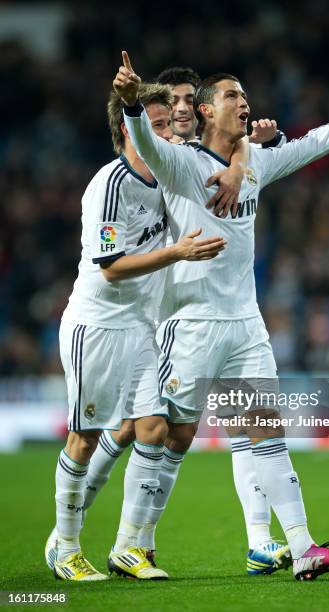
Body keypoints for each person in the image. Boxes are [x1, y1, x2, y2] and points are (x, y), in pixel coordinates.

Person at [114, 50, 329, 581]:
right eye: (232, 95)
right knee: (164, 434)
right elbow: (148, 148)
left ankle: (303, 547)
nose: (244, 102)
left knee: (266, 434)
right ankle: (132, 541)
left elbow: (317, 142)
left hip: (246, 325)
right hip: (193, 325)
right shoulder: (184, 166)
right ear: (205, 111)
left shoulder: (255, 164)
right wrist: (133, 103)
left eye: (245, 94)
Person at [80, 66, 291, 576]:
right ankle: (75, 524)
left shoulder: (192, 160)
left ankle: (242, 541)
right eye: (169, 104)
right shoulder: (142, 170)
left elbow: (231, 146)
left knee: (168, 428)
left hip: (181, 314)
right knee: (130, 429)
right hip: (138, 316)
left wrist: (246, 158)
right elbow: (110, 266)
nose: (177, 111)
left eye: (182, 102)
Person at [46, 82, 227, 581]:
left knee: (153, 428)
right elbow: (110, 266)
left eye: (168, 124)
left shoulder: (166, 182)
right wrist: (176, 253)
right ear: (130, 129)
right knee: (84, 438)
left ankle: (129, 547)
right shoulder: (110, 184)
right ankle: (64, 546)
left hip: (142, 328)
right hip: (98, 326)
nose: (168, 132)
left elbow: (218, 158)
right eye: (157, 124)